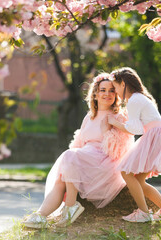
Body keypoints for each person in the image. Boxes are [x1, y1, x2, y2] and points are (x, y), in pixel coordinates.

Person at [22, 73, 134, 228]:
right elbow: (79, 144)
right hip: (86, 159)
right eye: (103, 90)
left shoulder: (118, 116)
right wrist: (71, 166)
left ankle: (71, 206)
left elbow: (119, 150)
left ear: (117, 95)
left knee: (70, 156)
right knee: (61, 179)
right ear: (95, 93)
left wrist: (107, 130)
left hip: (104, 163)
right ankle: (40, 215)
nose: (107, 94)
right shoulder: (89, 117)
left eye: (111, 90)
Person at [107, 67, 161, 223]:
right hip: (157, 136)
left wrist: (115, 123)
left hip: (154, 137)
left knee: (126, 172)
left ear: (123, 84)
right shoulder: (140, 98)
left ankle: (144, 213)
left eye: (115, 87)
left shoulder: (134, 100)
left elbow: (136, 129)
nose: (115, 91)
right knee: (137, 180)